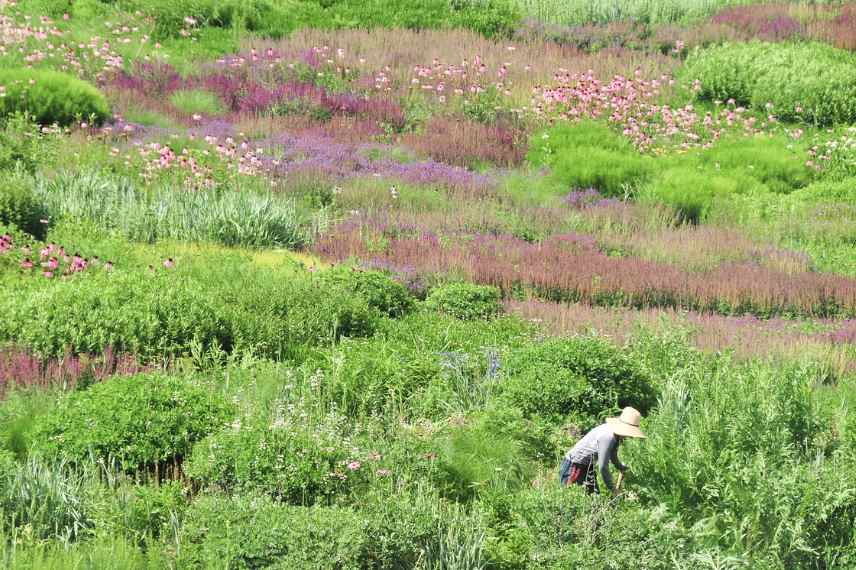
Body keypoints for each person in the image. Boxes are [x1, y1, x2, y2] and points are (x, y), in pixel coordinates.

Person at [559, 407, 646, 495]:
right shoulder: (608, 436)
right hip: (574, 466)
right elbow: (603, 466)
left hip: (586, 467)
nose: (630, 436)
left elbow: (612, 453)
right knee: (573, 500)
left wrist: (620, 467)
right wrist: (613, 489)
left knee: (594, 499)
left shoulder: (615, 434)